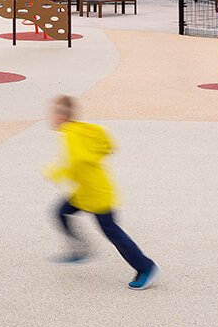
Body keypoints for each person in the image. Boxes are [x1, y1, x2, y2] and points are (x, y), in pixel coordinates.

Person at [44, 95, 160, 290]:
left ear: (62, 116)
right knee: (60, 212)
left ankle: (146, 267)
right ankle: (80, 249)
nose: (51, 116)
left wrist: (55, 172)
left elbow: (77, 161)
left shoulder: (71, 135)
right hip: (86, 192)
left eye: (54, 112)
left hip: (96, 194)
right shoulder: (81, 129)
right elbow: (106, 142)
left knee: (112, 232)